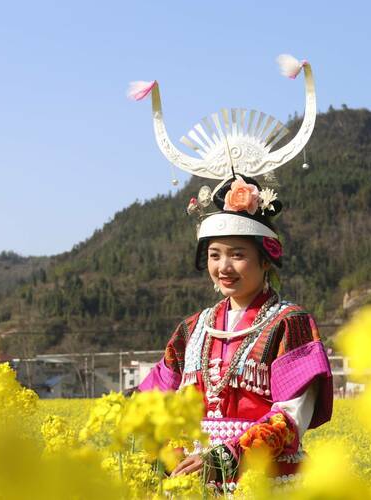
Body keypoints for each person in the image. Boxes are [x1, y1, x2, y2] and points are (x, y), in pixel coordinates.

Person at [132, 54, 332, 490]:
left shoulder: (290, 324)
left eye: (238, 254)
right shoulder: (191, 330)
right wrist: (169, 451)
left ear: (265, 259)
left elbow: (290, 415)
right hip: (195, 481)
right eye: (215, 254)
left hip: (267, 481)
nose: (224, 267)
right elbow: (151, 403)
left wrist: (227, 456)